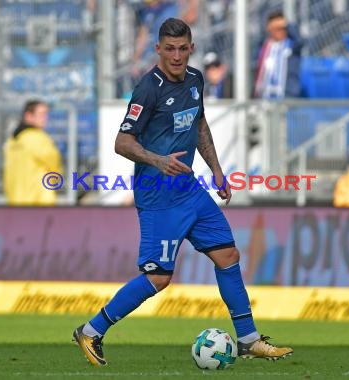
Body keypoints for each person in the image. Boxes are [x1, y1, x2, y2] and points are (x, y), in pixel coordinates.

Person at [72, 18, 293, 366]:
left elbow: (199, 123)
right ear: (158, 49)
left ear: (191, 48)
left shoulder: (195, 79)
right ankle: (91, 330)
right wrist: (157, 160)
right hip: (157, 195)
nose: (176, 56)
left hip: (189, 190)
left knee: (228, 256)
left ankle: (248, 339)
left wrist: (218, 170)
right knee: (158, 277)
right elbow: (122, 142)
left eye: (182, 48)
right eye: (169, 49)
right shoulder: (149, 88)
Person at [3, 100, 63, 206]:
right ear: (28, 116)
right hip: (39, 201)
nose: (45, 118)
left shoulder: (13, 141)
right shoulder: (38, 138)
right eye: (41, 114)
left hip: (15, 200)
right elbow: (54, 164)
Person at [253, 10, 304, 100]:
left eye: (282, 28)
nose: (280, 31)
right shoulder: (265, 47)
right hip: (265, 96)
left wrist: (287, 25)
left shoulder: (291, 46)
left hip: (287, 96)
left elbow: (300, 41)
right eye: (276, 28)